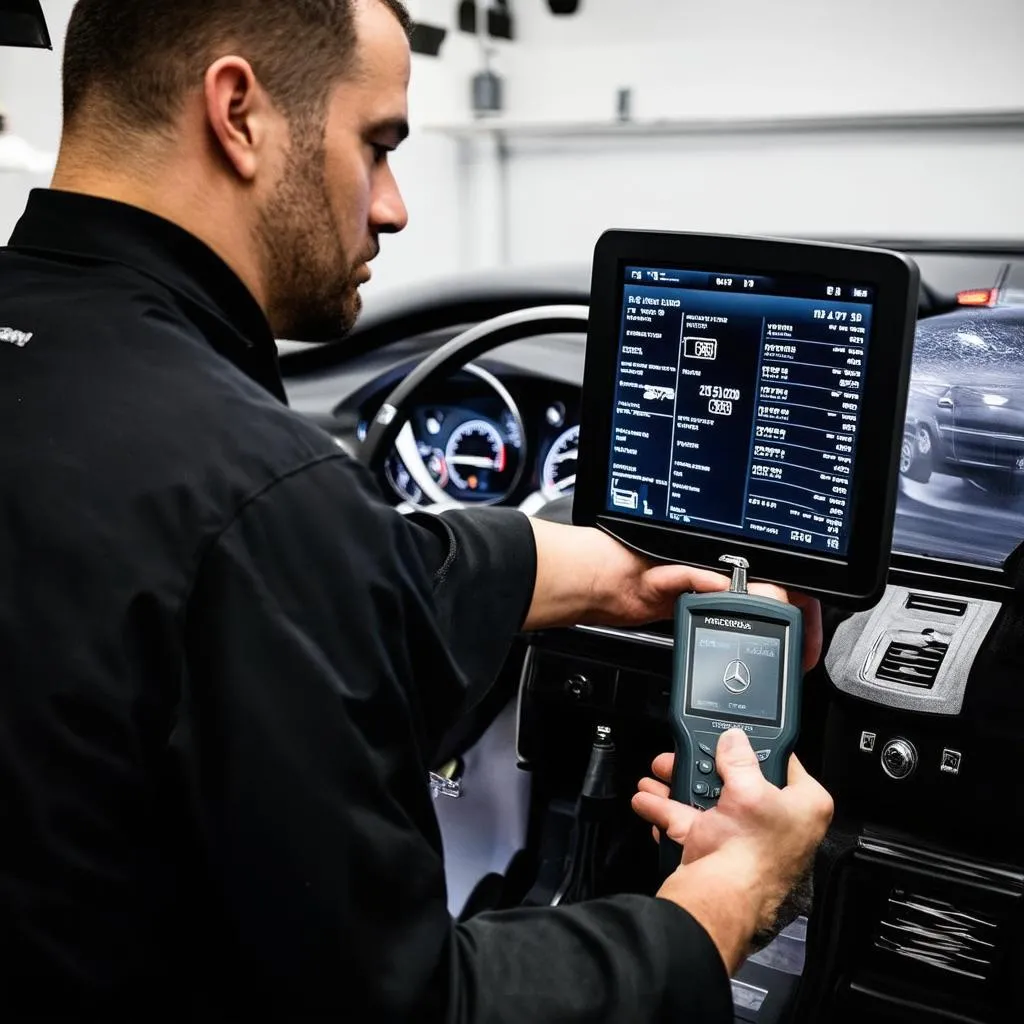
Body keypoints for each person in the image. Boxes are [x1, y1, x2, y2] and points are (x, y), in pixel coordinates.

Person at [0, 1, 833, 1020]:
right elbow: (403, 1006)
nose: (391, 207)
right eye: (378, 145)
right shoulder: (263, 493)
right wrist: (724, 896)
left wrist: (604, 574)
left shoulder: (202, 481)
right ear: (237, 112)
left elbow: (177, 599)